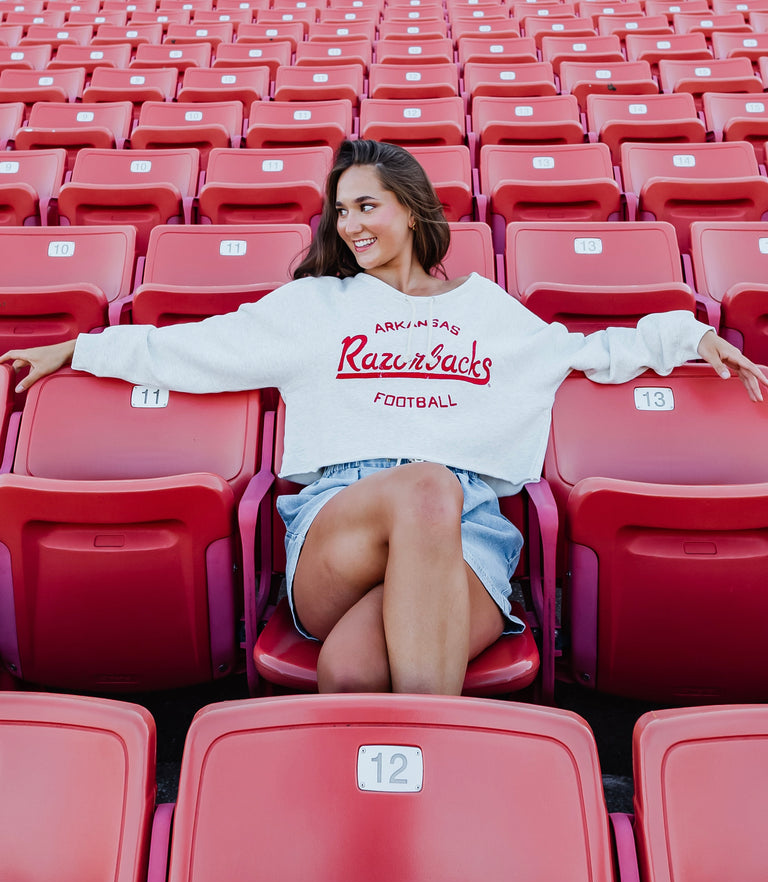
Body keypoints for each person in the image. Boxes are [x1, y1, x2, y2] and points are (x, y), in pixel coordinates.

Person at [2, 139, 766, 696]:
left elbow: (591, 351)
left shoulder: (488, 313)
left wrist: (694, 336)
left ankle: (389, 838)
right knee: (424, 485)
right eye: (342, 212)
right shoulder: (317, 306)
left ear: (411, 209)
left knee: (354, 669)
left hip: (468, 533)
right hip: (343, 517)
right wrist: (79, 349)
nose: (352, 224)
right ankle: (452, 768)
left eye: (367, 205)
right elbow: (195, 349)